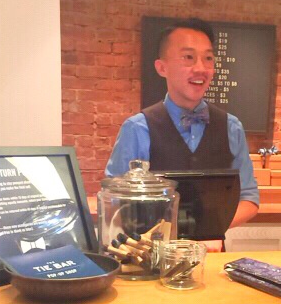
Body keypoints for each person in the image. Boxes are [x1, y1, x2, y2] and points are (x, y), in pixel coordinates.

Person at [105, 18, 259, 228]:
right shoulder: (137, 128)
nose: (201, 68)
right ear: (162, 68)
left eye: (208, 58)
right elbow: (114, 201)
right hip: (152, 246)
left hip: (212, 247)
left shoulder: (232, 128)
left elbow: (249, 198)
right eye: (188, 57)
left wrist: (213, 228)